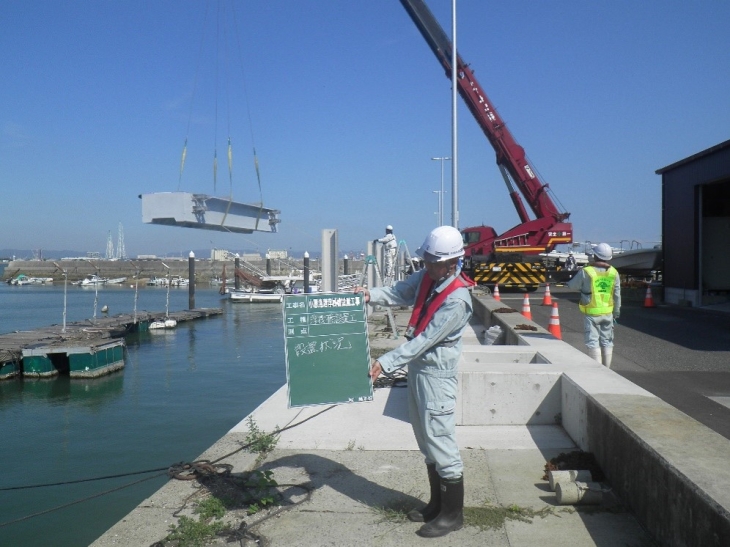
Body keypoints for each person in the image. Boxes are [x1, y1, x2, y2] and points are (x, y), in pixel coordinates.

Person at [355, 225, 474, 538]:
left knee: (440, 438)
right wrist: (370, 295)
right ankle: (436, 504)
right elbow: (398, 292)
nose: (427, 265)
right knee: (425, 439)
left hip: (437, 375)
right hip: (419, 371)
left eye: (434, 261)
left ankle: (452, 514)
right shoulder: (428, 278)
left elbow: (425, 340)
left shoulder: (457, 300)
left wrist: (386, 361)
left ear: (453, 263)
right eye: (427, 259)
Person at [567, 242, 621, 367]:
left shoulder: (587, 271)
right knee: (607, 341)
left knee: (592, 341)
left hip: (591, 313)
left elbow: (572, 285)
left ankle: (598, 370)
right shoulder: (614, 272)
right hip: (608, 313)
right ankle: (607, 369)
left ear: (595, 256)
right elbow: (617, 295)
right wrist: (616, 313)